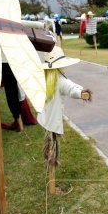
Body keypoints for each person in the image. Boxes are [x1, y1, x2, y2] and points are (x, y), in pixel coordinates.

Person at [38, 46, 92, 181]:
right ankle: (51, 183)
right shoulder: (58, 80)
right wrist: (82, 93)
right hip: (52, 120)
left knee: (50, 145)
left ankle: (51, 178)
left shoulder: (47, 77)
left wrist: (79, 90)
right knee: (52, 149)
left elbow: (71, 85)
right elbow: (70, 89)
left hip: (46, 118)